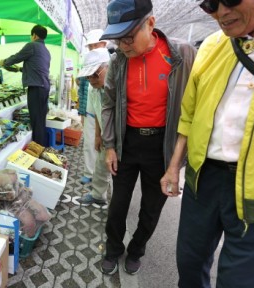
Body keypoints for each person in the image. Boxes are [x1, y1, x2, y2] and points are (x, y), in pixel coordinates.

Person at [160, 0, 254, 287]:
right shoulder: (213, 46)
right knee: (188, 264)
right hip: (204, 181)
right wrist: (174, 167)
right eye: (209, 4)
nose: (219, 12)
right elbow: (189, 114)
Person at [99, 0, 196, 275]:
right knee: (118, 205)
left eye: (128, 37)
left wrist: (178, 161)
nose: (123, 45)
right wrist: (109, 145)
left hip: (162, 146)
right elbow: (108, 103)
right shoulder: (118, 60)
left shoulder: (182, 54)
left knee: (151, 208)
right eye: (118, 39)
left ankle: (137, 249)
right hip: (127, 143)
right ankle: (113, 248)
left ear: (150, 24)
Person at [1, 25, 51, 146]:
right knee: (40, 119)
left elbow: (17, 56)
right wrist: (19, 69)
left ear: (34, 35)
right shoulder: (46, 50)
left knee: (36, 119)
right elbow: (36, 67)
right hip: (43, 87)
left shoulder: (32, 45)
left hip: (36, 87)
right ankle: (41, 146)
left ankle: (38, 148)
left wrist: (4, 62)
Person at [77, 48, 113, 206]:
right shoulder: (93, 90)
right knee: (100, 166)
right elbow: (98, 115)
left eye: (95, 74)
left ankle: (116, 204)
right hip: (105, 133)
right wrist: (98, 136)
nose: (91, 79)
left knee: (115, 169)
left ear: (108, 68)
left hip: (120, 136)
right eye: (88, 75)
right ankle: (98, 194)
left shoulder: (118, 87)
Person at [78, 29, 109, 185]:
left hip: (108, 122)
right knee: (90, 144)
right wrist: (81, 112)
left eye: (95, 45)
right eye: (90, 46)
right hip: (92, 113)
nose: (91, 79)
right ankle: (90, 174)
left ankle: (100, 185)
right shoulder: (92, 82)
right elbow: (83, 90)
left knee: (106, 153)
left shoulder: (110, 69)